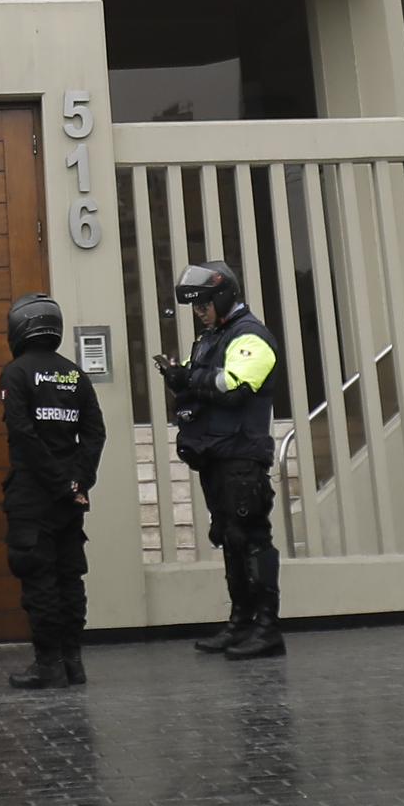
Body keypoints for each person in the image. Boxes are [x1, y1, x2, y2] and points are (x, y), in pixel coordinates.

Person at [165, 262, 282, 659]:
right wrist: (179, 377)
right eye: (194, 305)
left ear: (223, 296)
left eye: (203, 303)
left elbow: (233, 387)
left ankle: (267, 630)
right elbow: (203, 380)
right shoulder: (211, 337)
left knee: (251, 538)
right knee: (231, 538)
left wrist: (189, 380)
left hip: (242, 455)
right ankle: (240, 623)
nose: (199, 311)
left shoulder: (251, 336)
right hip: (216, 454)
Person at [0, 294, 105, 689]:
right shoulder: (75, 375)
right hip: (70, 499)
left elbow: (23, 436)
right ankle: (73, 663)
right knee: (70, 578)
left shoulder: (15, 374)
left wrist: (60, 484)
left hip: (33, 495)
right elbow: (95, 433)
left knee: (39, 579)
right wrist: (78, 481)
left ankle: (49, 664)